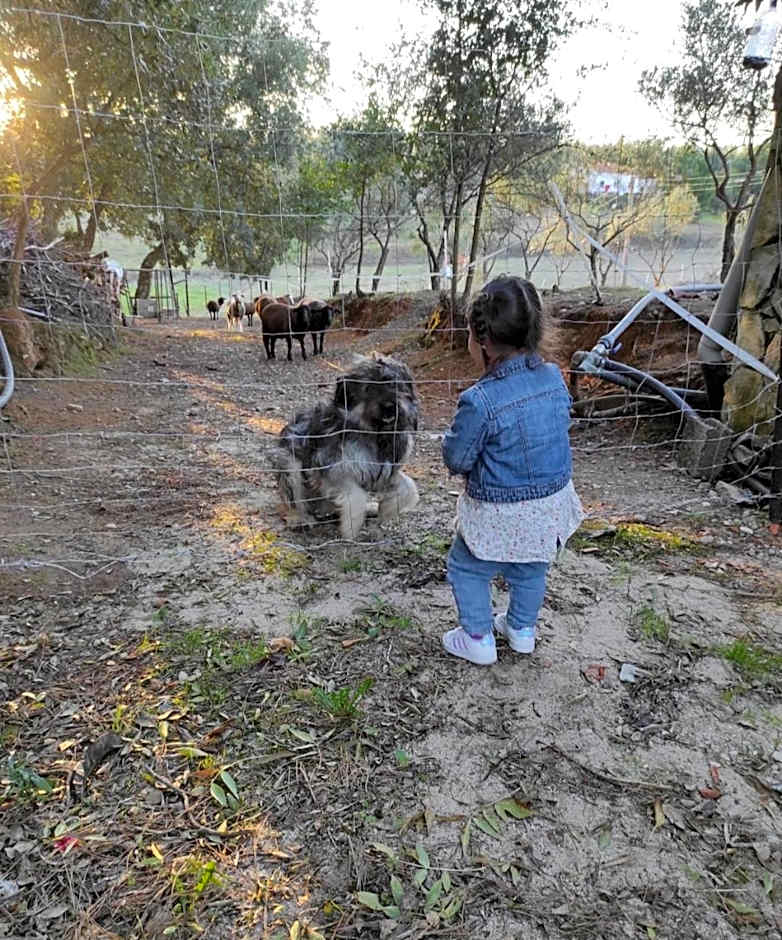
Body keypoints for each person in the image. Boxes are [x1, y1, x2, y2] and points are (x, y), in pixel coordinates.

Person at [441, 275, 584, 666]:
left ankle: (478, 637)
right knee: (531, 566)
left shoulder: (480, 401)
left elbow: (457, 459)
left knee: (466, 567)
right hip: (549, 510)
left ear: (482, 341)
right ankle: (522, 630)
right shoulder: (555, 378)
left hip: (497, 515)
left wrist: (447, 441)